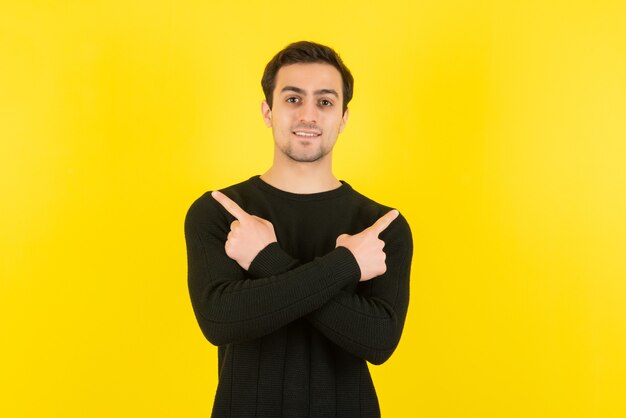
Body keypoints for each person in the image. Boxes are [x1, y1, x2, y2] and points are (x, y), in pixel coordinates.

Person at [185, 41, 413, 418]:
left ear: (343, 117)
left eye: (324, 102)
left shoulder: (381, 228)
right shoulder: (220, 212)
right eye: (293, 99)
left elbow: (378, 342)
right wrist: (347, 265)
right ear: (268, 111)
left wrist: (265, 260)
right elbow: (220, 320)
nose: (308, 115)